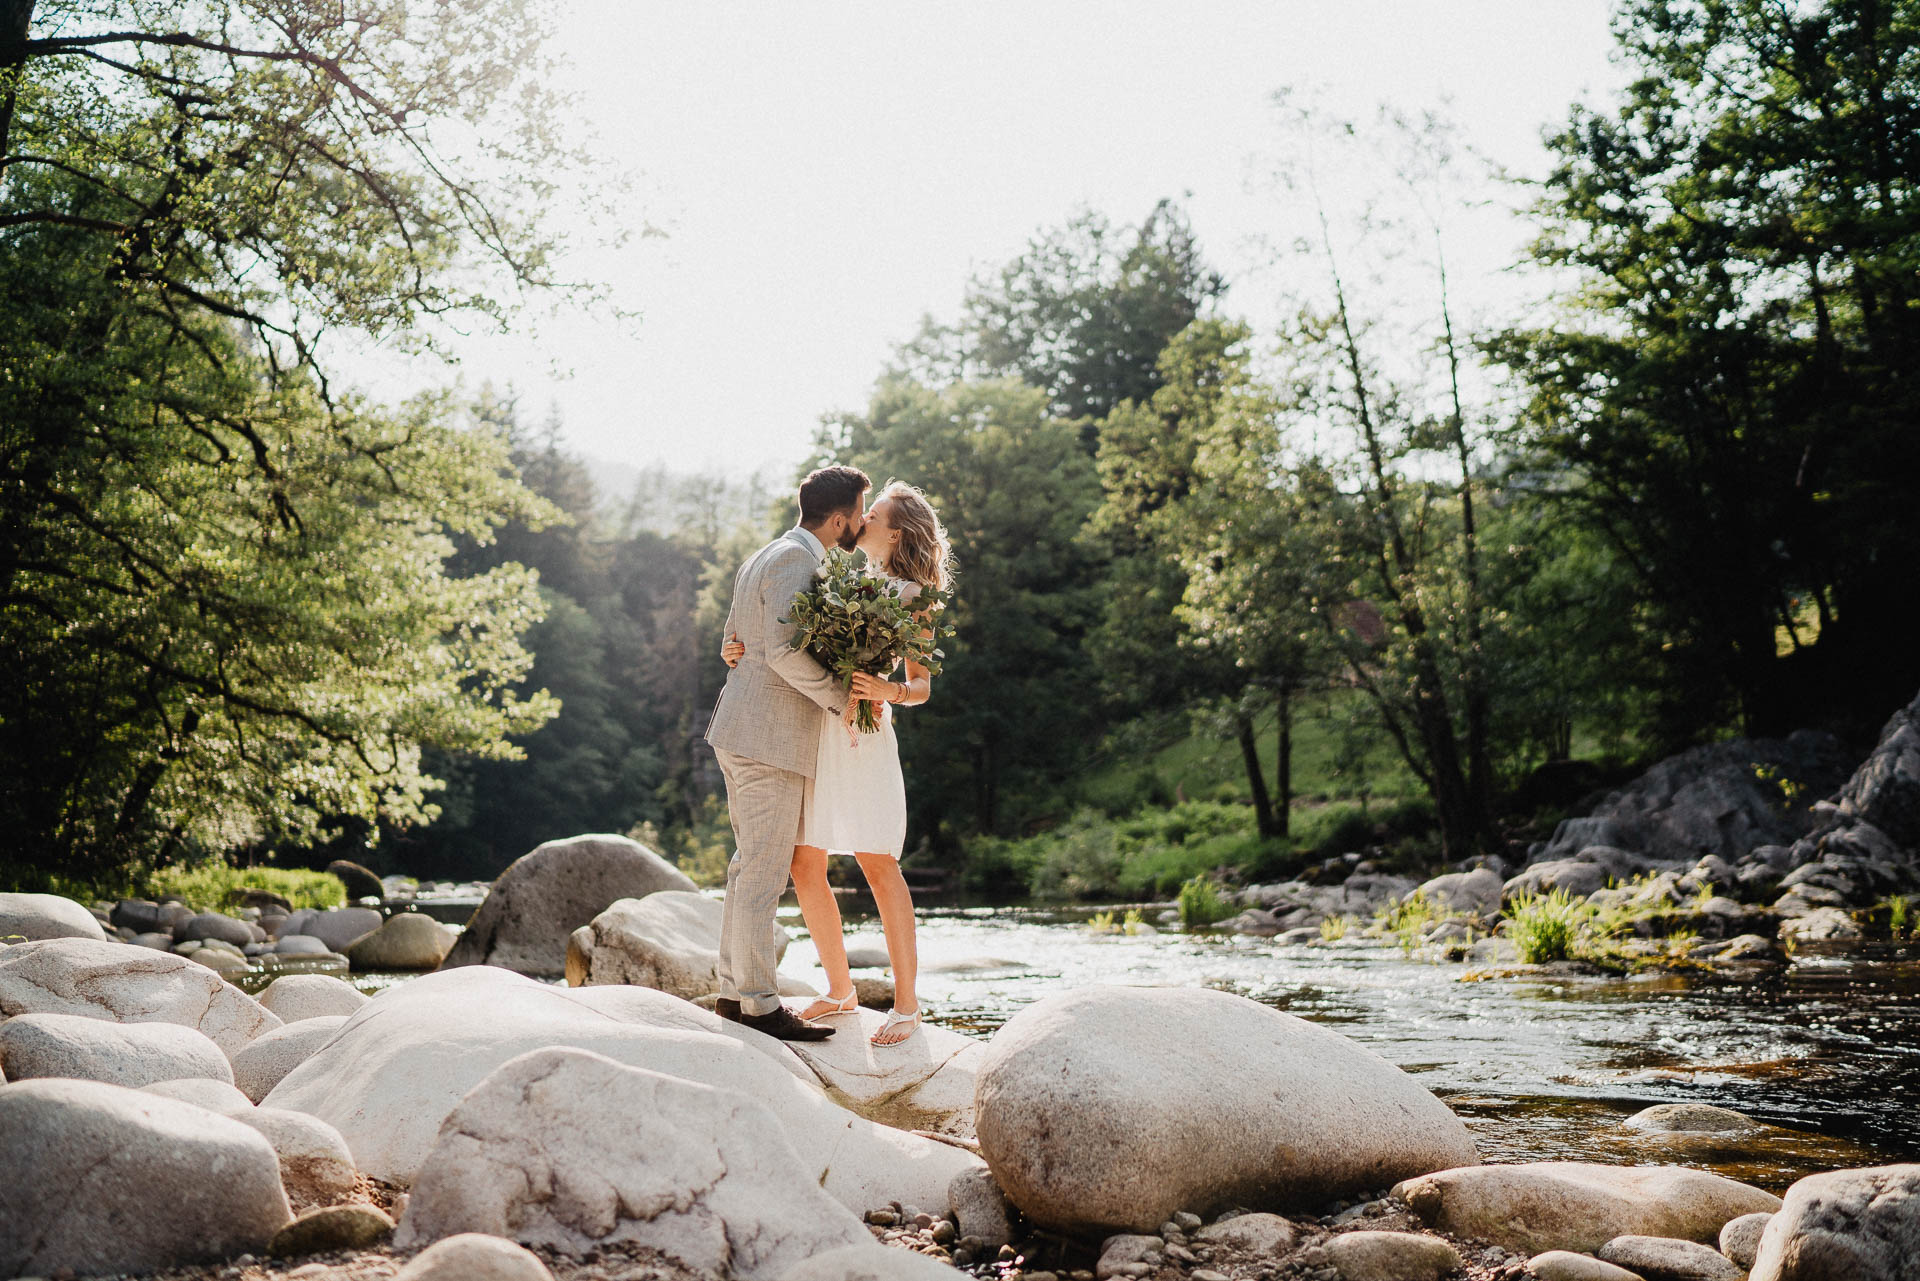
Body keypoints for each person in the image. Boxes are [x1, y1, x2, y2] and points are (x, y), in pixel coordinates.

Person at [722, 480, 952, 1046]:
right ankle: (841, 989)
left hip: (864, 733)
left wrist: (887, 691)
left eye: (872, 514)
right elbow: (785, 635)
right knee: (802, 863)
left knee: (878, 863)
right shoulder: (833, 577)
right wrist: (739, 646)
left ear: (893, 531)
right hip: (817, 729)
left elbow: (922, 685)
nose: (861, 519)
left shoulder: (914, 596)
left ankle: (906, 1004)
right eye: (860, 511)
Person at [704, 464, 870, 1042]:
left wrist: (737, 652)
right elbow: (777, 649)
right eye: (860, 513)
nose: (863, 522)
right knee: (764, 872)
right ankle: (759, 1004)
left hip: (743, 728)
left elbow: (735, 637)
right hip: (767, 737)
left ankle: (732, 994)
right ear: (840, 518)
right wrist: (839, 694)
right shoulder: (799, 560)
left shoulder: (767, 553)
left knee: (748, 866)